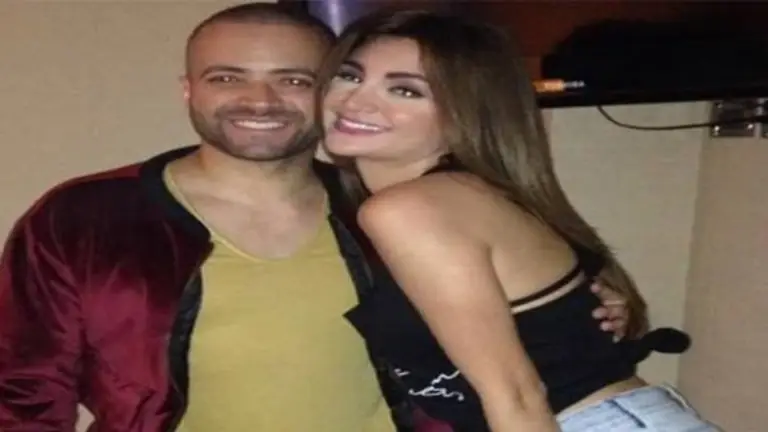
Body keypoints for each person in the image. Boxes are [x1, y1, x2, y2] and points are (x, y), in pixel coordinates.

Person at [0, 3, 631, 432]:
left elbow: (506, 306)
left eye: (295, 80)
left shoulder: (384, 211)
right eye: (227, 78)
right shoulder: (86, 218)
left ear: (327, 91)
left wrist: (590, 299)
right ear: (188, 89)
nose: (260, 101)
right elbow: (23, 391)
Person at [318, 9, 717, 432]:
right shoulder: (460, 193)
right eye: (350, 76)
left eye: (405, 90)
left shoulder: (408, 210)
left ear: (466, 114)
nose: (355, 101)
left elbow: (517, 397)